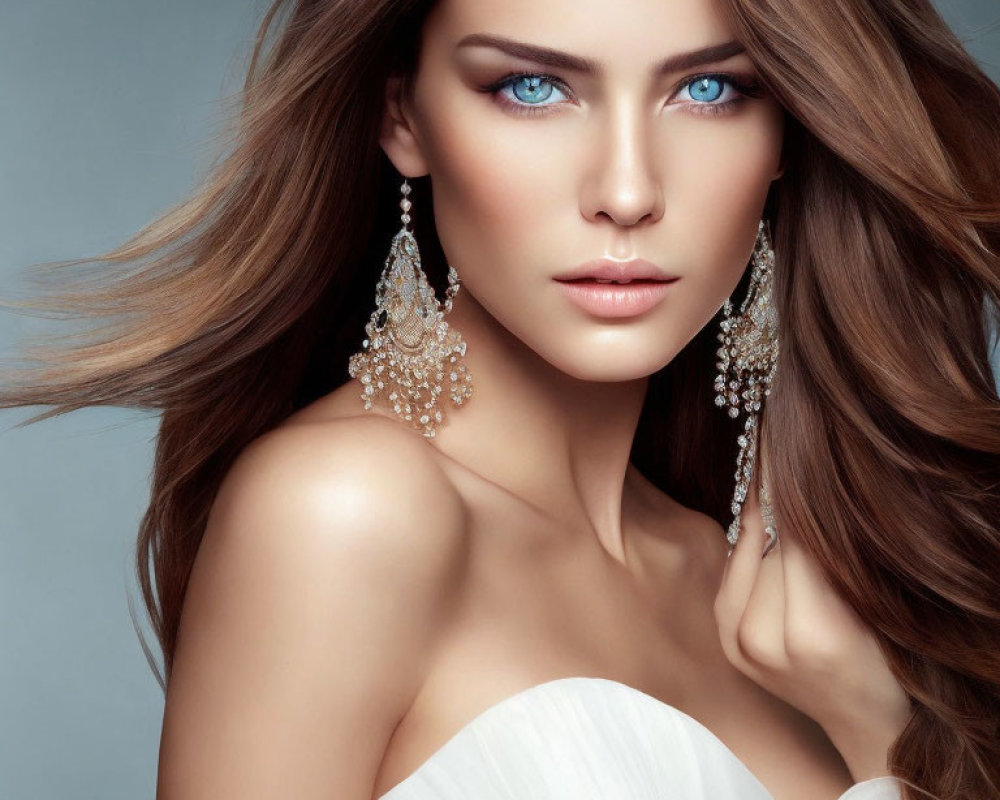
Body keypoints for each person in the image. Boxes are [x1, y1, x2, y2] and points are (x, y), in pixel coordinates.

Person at [1, 0, 998, 798]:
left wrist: (881, 735)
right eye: (531, 86)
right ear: (404, 117)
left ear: (785, 132)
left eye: (706, 88)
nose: (625, 188)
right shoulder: (345, 510)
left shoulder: (765, 590)